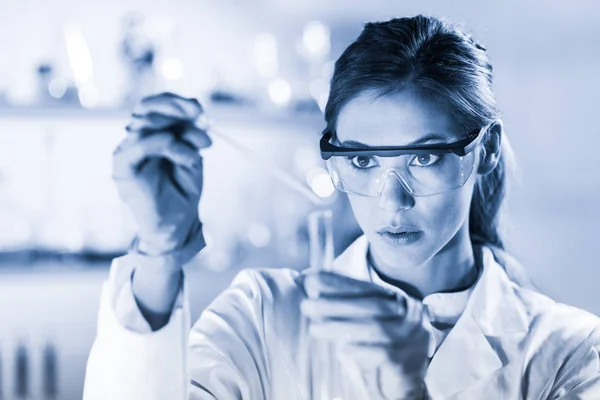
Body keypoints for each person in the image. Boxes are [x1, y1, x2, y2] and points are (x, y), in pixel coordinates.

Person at [83, 15, 600, 399]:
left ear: (483, 152)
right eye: (362, 161)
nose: (391, 198)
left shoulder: (567, 350)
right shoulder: (262, 316)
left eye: (424, 156)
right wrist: (158, 247)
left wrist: (408, 392)